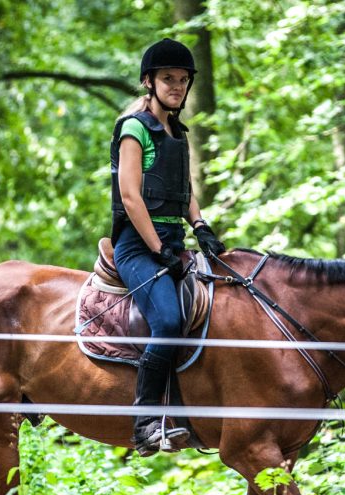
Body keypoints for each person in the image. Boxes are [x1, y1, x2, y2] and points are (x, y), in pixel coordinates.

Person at [109, 38, 226, 457]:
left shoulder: (177, 131)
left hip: (171, 245)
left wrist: (200, 225)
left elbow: (184, 190)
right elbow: (130, 196)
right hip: (137, 248)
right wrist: (158, 248)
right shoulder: (134, 128)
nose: (176, 86)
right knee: (170, 323)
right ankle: (144, 425)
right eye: (167, 79)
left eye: (182, 80)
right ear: (149, 82)